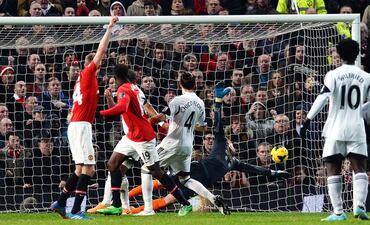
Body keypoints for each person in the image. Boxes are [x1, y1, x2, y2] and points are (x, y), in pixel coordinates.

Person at [127, 82, 289, 213]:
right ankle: (127, 199)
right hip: (195, 169)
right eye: (231, 142)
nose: (233, 145)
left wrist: (275, 173)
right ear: (228, 142)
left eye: (235, 145)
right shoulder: (220, 144)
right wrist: (218, 102)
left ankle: (133, 211)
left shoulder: (234, 163)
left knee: (167, 200)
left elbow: (255, 169)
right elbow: (218, 126)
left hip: (201, 181)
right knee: (160, 181)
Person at [96, 64, 192, 216]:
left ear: (116, 78)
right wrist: (108, 99)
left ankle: (185, 203)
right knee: (113, 164)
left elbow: (121, 108)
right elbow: (121, 108)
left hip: (142, 137)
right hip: (131, 136)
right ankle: (116, 205)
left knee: (156, 172)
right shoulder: (132, 87)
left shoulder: (124, 90)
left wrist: (100, 112)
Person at [301, 39, 370, 221]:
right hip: (356, 127)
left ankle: (338, 212)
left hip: (335, 127)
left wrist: (308, 119)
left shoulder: (333, 74)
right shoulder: (366, 77)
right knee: (359, 167)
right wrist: (359, 110)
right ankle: (359, 205)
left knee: (332, 167)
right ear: (357, 54)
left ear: (339, 54)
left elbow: (323, 97)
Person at [50, 16, 119, 220]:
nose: (100, 63)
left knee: (80, 168)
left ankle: (61, 203)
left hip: (76, 124)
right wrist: (110, 29)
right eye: (97, 63)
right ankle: (76, 210)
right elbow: (100, 52)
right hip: (81, 126)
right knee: (89, 168)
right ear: (91, 65)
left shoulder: (81, 81)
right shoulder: (88, 73)